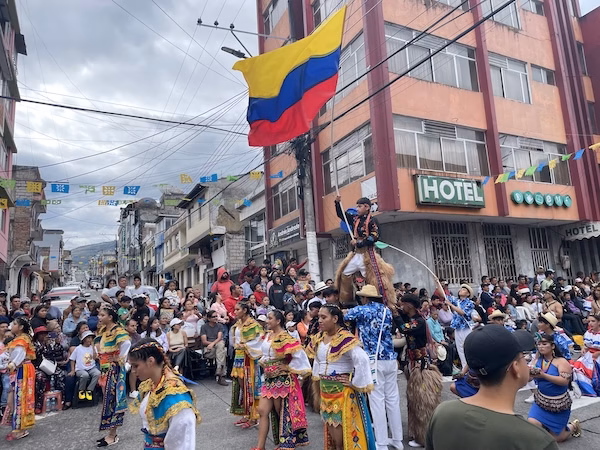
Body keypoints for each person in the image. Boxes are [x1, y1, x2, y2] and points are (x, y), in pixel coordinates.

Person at [426, 325, 558, 450]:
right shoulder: (537, 441)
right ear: (515, 368)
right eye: (523, 357)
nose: (527, 362)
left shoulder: (441, 413)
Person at [306, 305, 375, 450]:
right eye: (319, 317)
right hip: (326, 393)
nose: (319, 320)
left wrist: (354, 383)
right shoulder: (319, 338)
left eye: (323, 317)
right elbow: (319, 364)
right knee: (333, 435)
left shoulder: (345, 338)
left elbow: (362, 360)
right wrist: (317, 381)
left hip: (342, 395)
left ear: (335, 318)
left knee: (341, 440)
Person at [344, 284, 403, 450]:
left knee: (377, 401)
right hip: (390, 358)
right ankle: (397, 440)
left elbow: (346, 317)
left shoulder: (361, 310)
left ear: (364, 298)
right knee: (393, 399)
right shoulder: (386, 310)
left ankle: (382, 443)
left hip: (374, 359)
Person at [128, 338, 201, 450]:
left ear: (150, 361)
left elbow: (182, 444)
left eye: (136, 366)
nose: (133, 371)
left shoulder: (176, 399)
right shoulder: (151, 384)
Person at [255, 310, 311, 450]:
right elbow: (265, 355)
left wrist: (289, 368)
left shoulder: (285, 337)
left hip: (282, 380)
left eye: (270, 318)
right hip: (269, 380)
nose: (267, 321)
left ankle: (285, 443)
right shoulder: (268, 336)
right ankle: (260, 446)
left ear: (278, 321)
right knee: (262, 410)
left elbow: (299, 356)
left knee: (281, 412)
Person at [397, 293, 442, 448]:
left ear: (409, 305)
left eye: (403, 303)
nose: (401, 306)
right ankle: (416, 431)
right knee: (413, 399)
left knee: (422, 400)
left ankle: (424, 435)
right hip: (412, 363)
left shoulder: (419, 321)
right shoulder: (412, 318)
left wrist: (396, 315)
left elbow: (404, 329)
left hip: (420, 364)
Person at [334, 196, 395, 308]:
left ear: (366, 207)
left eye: (359, 206)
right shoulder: (354, 219)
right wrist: (337, 203)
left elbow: (374, 236)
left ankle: (380, 303)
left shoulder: (372, 221)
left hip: (368, 254)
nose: (357, 209)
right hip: (356, 254)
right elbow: (341, 215)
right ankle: (348, 300)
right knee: (344, 274)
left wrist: (359, 243)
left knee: (375, 280)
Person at [528, 333, 581, 441]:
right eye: (539, 344)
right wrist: (529, 374)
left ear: (552, 346)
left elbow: (564, 382)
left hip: (559, 404)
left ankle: (573, 426)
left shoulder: (561, 361)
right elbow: (528, 379)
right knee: (532, 424)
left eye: (544, 344)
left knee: (558, 438)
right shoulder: (536, 360)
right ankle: (544, 427)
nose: (541, 346)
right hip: (541, 401)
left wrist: (543, 375)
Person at [96, 307, 131, 447]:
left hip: (114, 369)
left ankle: (112, 434)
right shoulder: (104, 330)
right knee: (107, 401)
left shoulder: (118, 331)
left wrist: (118, 358)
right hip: (105, 369)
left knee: (114, 401)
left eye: (102, 315)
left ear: (110, 317)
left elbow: (127, 343)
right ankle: (111, 432)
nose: (99, 317)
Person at [230, 302, 264, 429]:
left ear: (245, 310)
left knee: (250, 386)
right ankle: (247, 413)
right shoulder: (238, 324)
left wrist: (245, 346)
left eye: (237, 309)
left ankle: (254, 416)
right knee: (242, 385)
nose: (235, 312)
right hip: (239, 356)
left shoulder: (253, 324)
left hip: (248, 357)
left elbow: (259, 340)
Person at [5, 317, 36, 441]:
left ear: (21, 327)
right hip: (19, 369)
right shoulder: (18, 339)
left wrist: (11, 365)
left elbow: (18, 356)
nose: (11, 326)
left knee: (20, 398)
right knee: (15, 397)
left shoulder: (22, 340)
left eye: (14, 324)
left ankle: (20, 428)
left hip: (23, 369)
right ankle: (18, 426)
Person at [32, 325, 67, 414]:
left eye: (45, 334)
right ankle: (38, 404)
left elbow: (57, 353)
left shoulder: (50, 343)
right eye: (42, 334)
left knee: (61, 374)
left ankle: (61, 400)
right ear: (37, 335)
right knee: (40, 377)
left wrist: (57, 343)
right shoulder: (34, 344)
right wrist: (43, 345)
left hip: (50, 366)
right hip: (37, 367)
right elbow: (36, 355)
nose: (44, 336)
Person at [447, 284, 477, 368]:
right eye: (461, 289)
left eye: (463, 289)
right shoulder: (456, 300)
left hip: (466, 328)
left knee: (467, 349)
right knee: (460, 349)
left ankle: (471, 368)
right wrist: (437, 283)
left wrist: (451, 305)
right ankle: (464, 368)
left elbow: (462, 312)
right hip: (458, 328)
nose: (461, 290)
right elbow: (444, 295)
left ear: (468, 294)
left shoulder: (470, 303)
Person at [573, 313, 600, 396]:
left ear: (599, 322)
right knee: (577, 367)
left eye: (593, 321)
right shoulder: (588, 333)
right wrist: (584, 349)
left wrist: (598, 352)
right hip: (590, 355)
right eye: (589, 321)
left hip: (597, 356)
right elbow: (587, 345)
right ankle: (587, 389)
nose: (590, 323)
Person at [69, 330, 100, 401]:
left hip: (91, 367)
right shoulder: (78, 349)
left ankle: (90, 390)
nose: (90, 340)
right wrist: (73, 370)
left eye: (91, 338)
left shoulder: (93, 348)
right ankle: (81, 390)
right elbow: (72, 359)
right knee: (85, 375)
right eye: (88, 338)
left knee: (97, 373)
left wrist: (93, 349)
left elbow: (95, 358)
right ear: (83, 339)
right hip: (80, 369)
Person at [200, 311, 227, 386]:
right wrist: (211, 344)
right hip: (208, 350)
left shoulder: (219, 326)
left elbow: (219, 337)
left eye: (216, 316)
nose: (216, 318)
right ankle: (222, 376)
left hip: (216, 346)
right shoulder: (204, 327)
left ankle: (219, 370)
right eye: (213, 316)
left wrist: (213, 344)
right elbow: (204, 341)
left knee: (221, 346)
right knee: (222, 351)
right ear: (209, 318)